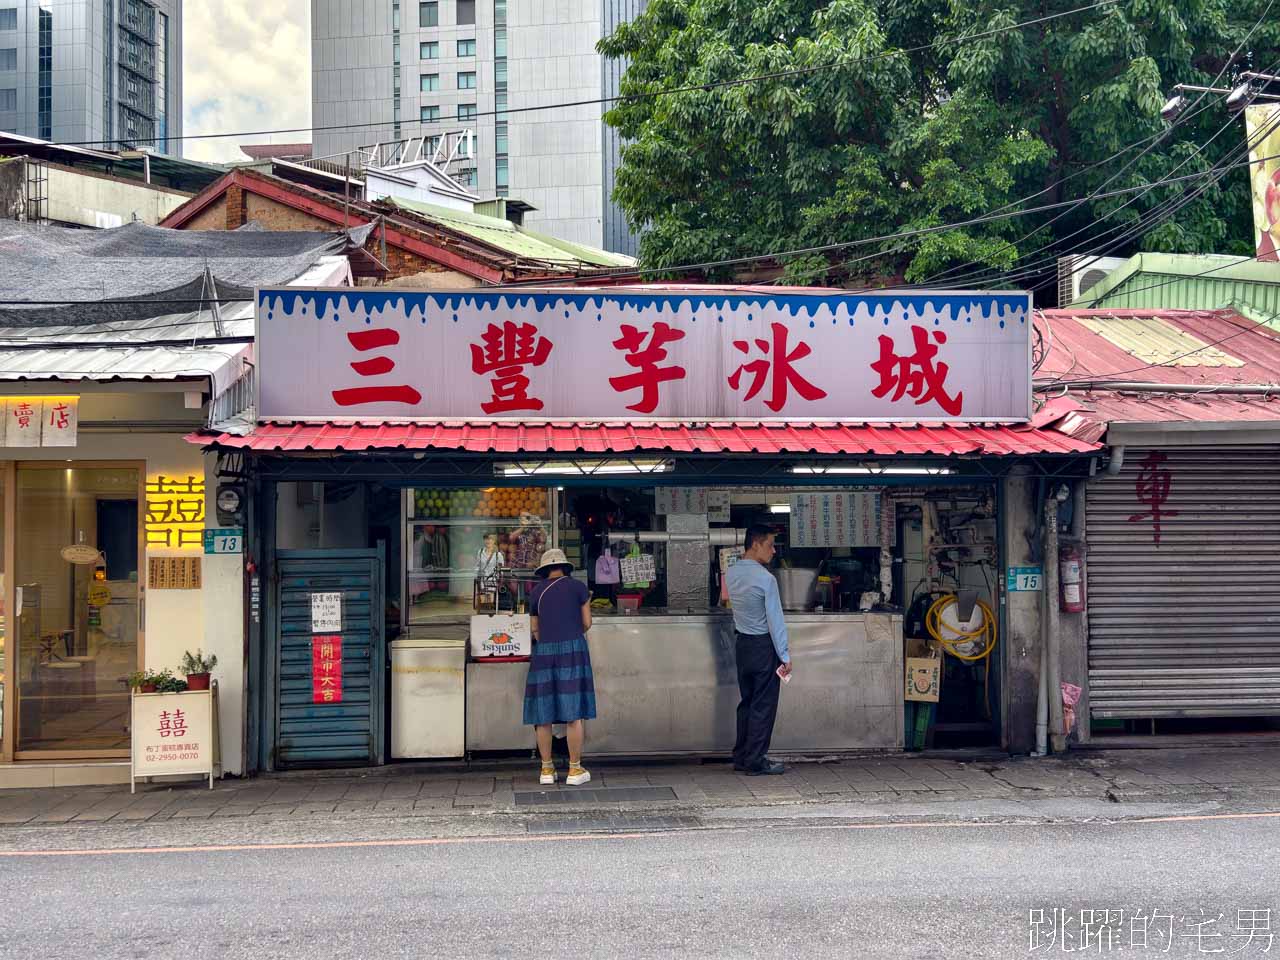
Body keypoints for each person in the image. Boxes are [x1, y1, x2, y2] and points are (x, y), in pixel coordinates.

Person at [524, 548, 596, 786]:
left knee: (543, 714)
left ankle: (546, 770)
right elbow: (587, 622)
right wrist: (573, 634)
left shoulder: (535, 592)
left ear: (544, 570)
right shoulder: (578, 588)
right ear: (565, 567)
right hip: (572, 649)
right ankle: (574, 770)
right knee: (573, 713)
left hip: (544, 651)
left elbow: (535, 629)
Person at [725, 524, 792, 776]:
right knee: (763, 704)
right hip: (764, 647)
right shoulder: (766, 579)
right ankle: (755, 760)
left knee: (748, 702)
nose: (773, 551)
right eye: (770, 545)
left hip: (743, 644)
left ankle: (741, 755)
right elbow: (775, 620)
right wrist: (785, 655)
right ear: (755, 544)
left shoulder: (731, 573)